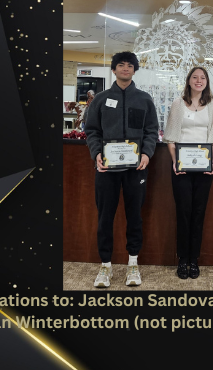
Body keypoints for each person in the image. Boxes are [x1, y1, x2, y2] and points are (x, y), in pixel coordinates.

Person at [84, 52, 159, 287]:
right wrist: (96, 154)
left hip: (136, 169)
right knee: (105, 216)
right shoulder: (100, 99)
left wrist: (147, 153)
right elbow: (92, 130)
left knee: (134, 216)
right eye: (120, 65)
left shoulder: (145, 99)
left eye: (130, 65)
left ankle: (133, 264)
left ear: (135, 70)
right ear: (113, 70)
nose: (125, 69)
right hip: (106, 170)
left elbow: (151, 131)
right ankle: (105, 266)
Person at [163, 66, 213, 279]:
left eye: (203, 78)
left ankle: (194, 260)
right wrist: (175, 162)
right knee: (183, 212)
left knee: (199, 212)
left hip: (204, 167)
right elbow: (171, 137)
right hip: (182, 167)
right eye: (195, 77)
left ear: (207, 82)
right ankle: (182, 259)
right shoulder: (178, 104)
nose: (199, 81)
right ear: (188, 81)